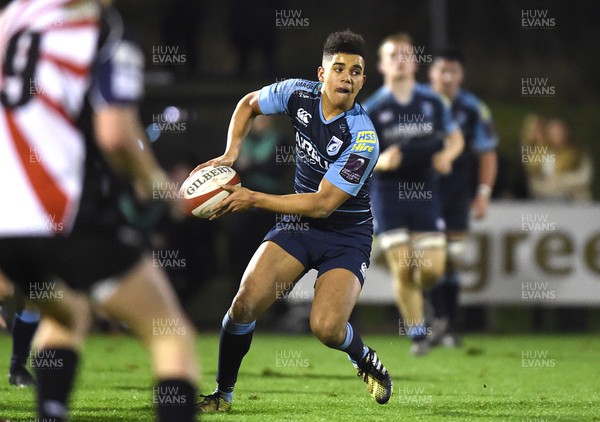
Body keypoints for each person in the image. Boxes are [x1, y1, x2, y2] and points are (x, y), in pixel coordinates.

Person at [0, 1, 199, 421]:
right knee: (170, 333)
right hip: (63, 213)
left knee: (68, 313)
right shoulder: (100, 27)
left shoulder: (13, 18)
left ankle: (50, 409)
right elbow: (116, 136)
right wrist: (160, 187)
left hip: (5, 215)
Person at [195, 30, 393, 412]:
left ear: (363, 81)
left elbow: (322, 204)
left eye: (355, 71)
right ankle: (223, 394)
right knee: (243, 304)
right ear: (322, 74)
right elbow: (249, 104)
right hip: (297, 227)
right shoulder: (296, 93)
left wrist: (252, 198)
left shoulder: (363, 138)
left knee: (327, 329)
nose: (347, 77)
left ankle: (363, 357)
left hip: (346, 236)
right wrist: (230, 153)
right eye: (339, 68)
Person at [362, 33, 464, 356]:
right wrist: (380, 161)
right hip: (388, 195)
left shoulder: (432, 102)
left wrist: (447, 156)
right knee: (403, 267)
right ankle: (419, 334)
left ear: (415, 61)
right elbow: (359, 156)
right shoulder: (372, 108)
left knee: (432, 269)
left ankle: (425, 311)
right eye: (393, 55)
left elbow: (455, 138)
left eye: (406, 54)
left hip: (424, 192)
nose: (400, 60)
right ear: (381, 65)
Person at [427, 50, 499, 347]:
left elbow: (487, 153)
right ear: (431, 73)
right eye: (441, 70)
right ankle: (438, 322)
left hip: (457, 194)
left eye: (452, 71)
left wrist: (483, 193)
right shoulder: (414, 104)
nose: (446, 77)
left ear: (461, 75)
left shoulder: (472, 109)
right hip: (420, 193)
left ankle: (448, 326)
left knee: (452, 261)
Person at [524, 117, 593, 202]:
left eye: (560, 131)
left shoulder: (577, 154)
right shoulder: (541, 153)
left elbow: (584, 177)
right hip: (542, 198)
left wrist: (561, 180)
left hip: (571, 198)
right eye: (554, 131)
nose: (558, 134)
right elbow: (532, 178)